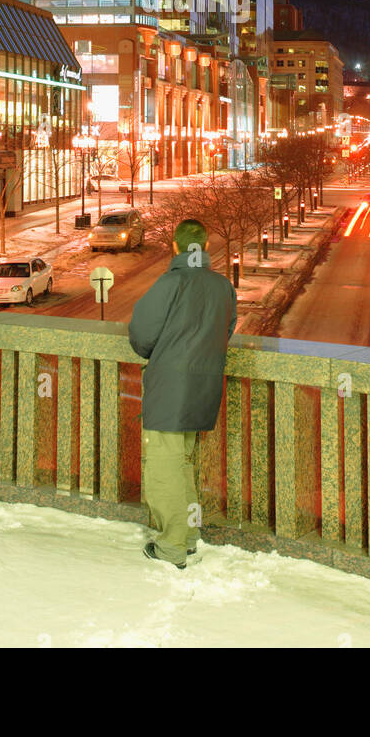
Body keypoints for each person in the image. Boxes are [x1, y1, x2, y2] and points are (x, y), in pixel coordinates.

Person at [128, 217, 237, 569]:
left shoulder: (170, 282)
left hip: (170, 389)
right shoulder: (223, 287)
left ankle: (172, 547)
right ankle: (189, 537)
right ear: (205, 248)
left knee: (164, 467)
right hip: (204, 387)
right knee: (184, 463)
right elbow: (227, 329)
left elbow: (141, 336)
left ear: (175, 247)